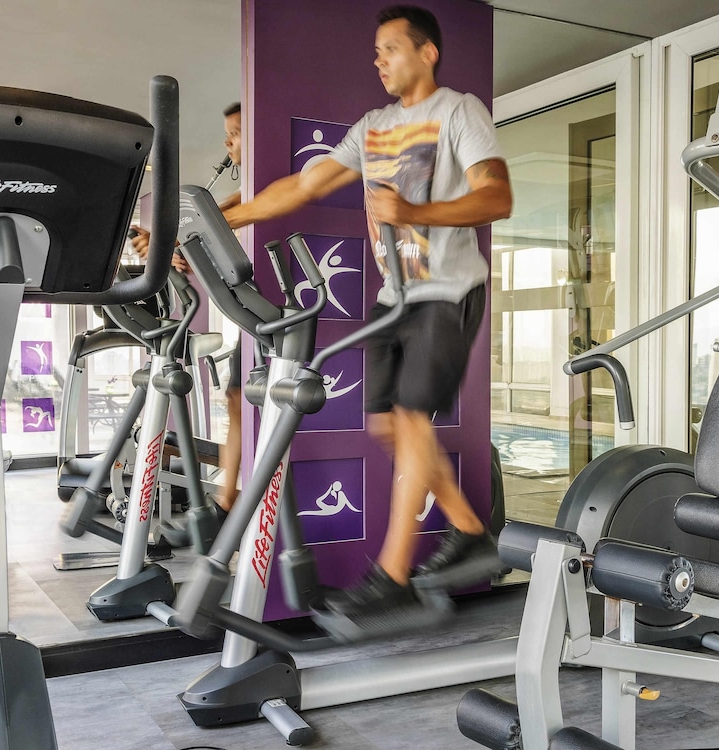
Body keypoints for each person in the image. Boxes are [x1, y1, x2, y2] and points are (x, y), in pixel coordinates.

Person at [223, 4, 512, 624]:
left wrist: (415, 213)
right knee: (386, 425)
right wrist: (222, 219)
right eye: (376, 52)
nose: (378, 61)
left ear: (427, 52)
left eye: (390, 49)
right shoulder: (373, 126)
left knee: (412, 418)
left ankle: (393, 576)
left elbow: (496, 196)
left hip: (447, 291)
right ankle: (469, 530)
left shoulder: (458, 112)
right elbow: (302, 187)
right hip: (393, 299)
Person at [130, 101, 244, 518]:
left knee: (241, 399)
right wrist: (173, 244)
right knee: (236, 398)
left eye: (237, 133)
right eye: (226, 135)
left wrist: (170, 241)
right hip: (257, 323)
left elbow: (222, 221)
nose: (228, 143)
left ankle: (230, 497)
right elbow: (215, 219)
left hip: (282, 316)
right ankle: (228, 498)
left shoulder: (265, 186)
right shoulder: (244, 191)